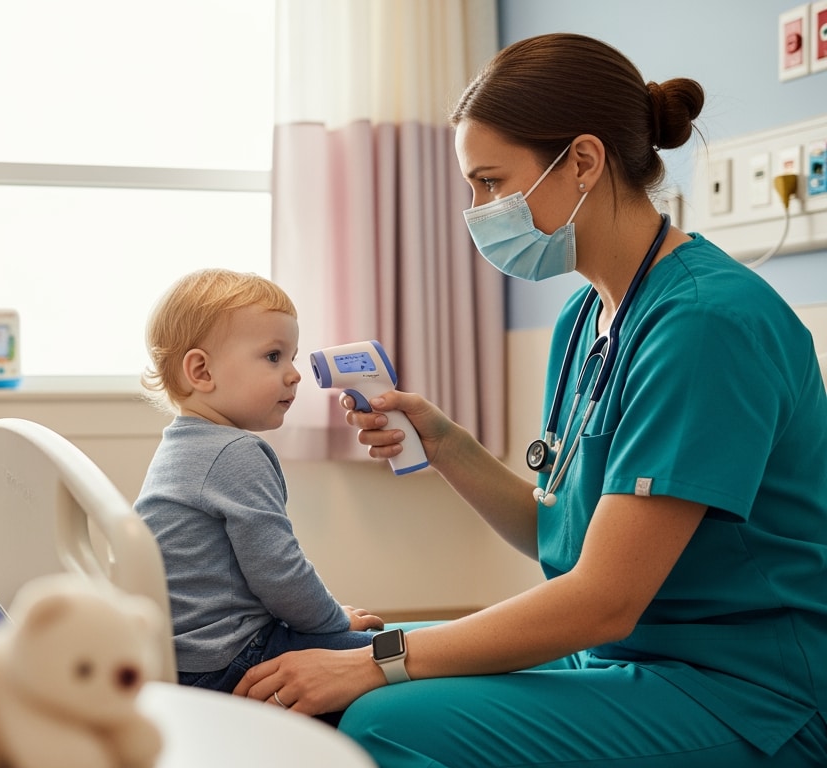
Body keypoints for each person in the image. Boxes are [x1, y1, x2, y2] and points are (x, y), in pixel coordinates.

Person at [233, 32, 827, 766]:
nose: (478, 210)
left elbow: (604, 597)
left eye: (489, 182)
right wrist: (444, 442)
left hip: (750, 695)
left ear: (582, 160)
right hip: (621, 659)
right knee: (338, 668)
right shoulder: (585, 320)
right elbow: (560, 539)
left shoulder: (706, 325)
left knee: (380, 719)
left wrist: (378, 659)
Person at [135, 268, 386, 700]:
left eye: (292, 356)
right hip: (230, 660)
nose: (294, 374)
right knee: (387, 659)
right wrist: (334, 623)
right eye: (274, 357)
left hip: (182, 660)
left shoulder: (180, 446)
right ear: (201, 371)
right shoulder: (235, 453)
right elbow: (280, 574)